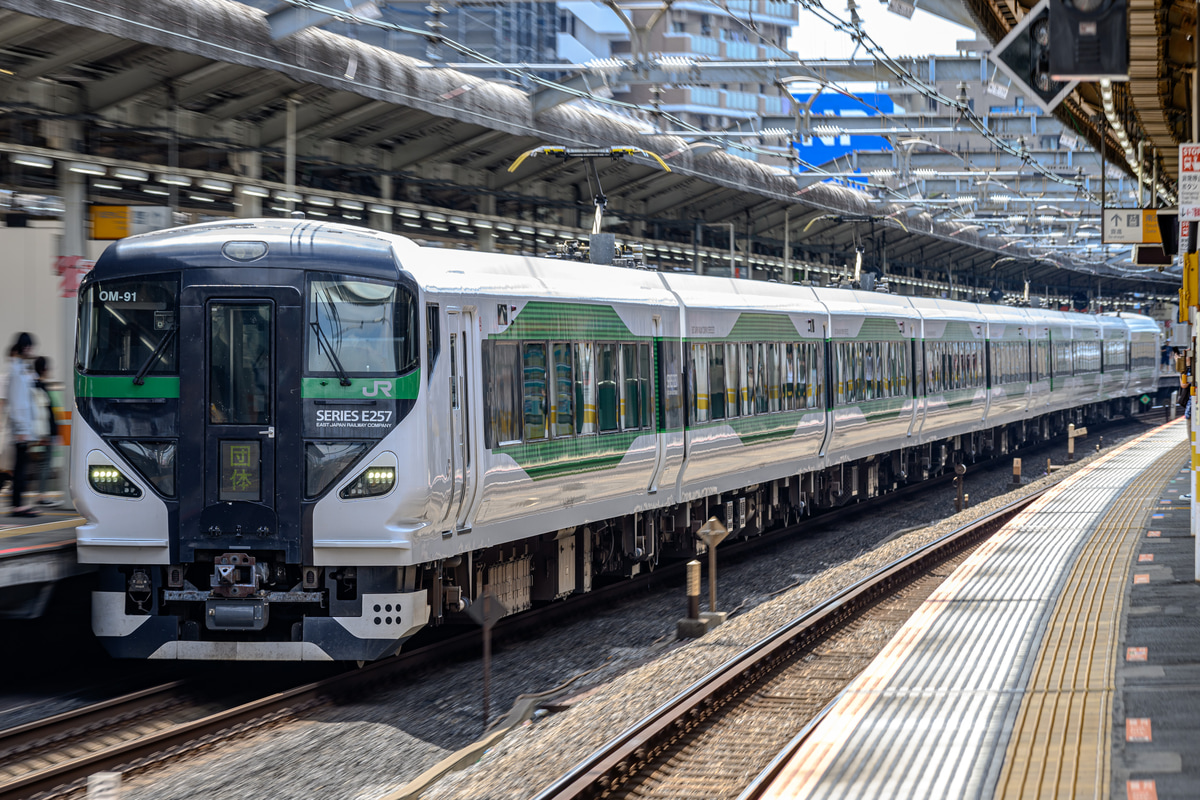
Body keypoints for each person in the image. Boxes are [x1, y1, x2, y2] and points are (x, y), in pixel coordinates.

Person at [5, 332, 39, 517]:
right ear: (25, 347)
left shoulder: (22, 368)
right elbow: (18, 403)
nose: (32, 350)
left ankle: (19, 504)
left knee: (22, 467)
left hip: (23, 429)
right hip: (21, 430)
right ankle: (17, 506)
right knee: (20, 468)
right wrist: (22, 430)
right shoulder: (17, 371)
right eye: (30, 346)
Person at [31, 356, 59, 507]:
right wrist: (45, 434)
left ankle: (41, 495)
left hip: (47, 433)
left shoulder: (38, 386)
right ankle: (41, 496)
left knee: (43, 465)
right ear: (44, 369)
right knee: (44, 465)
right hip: (45, 433)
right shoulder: (38, 387)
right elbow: (43, 414)